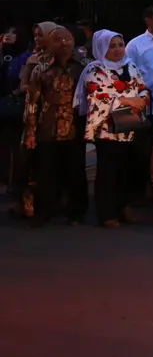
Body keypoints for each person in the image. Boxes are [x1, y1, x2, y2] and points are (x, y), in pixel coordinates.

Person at [78, 30, 151, 227]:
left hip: (131, 126)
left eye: (120, 45)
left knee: (128, 170)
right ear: (102, 48)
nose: (118, 49)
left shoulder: (130, 65)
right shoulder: (95, 69)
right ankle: (107, 213)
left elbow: (142, 87)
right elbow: (97, 95)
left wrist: (141, 99)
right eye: (112, 46)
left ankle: (123, 206)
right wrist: (127, 100)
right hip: (108, 129)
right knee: (108, 171)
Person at [23, 26, 88, 227]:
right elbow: (32, 103)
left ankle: (77, 212)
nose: (64, 43)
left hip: (75, 127)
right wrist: (30, 131)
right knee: (46, 172)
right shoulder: (40, 69)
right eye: (58, 40)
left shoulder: (83, 67)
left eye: (67, 39)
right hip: (47, 126)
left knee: (75, 171)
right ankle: (43, 211)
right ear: (49, 44)